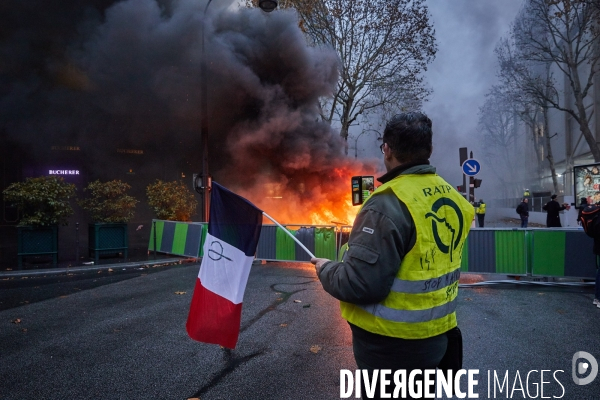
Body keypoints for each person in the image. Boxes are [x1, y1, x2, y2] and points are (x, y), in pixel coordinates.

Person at [310, 112, 474, 398]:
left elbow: (360, 284)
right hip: (438, 337)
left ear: (387, 149)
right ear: (429, 150)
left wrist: (326, 268)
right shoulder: (454, 198)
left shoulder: (386, 204)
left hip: (389, 346)